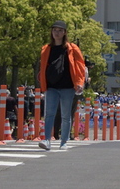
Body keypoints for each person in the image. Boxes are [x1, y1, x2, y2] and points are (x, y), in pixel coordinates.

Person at [37, 20, 86, 151]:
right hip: (51, 86)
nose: (56, 33)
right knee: (49, 114)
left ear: (64, 32)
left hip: (68, 86)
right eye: (54, 30)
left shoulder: (72, 48)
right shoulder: (46, 49)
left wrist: (80, 82)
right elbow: (43, 67)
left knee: (65, 115)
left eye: (59, 30)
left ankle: (63, 141)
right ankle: (47, 140)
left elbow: (81, 66)